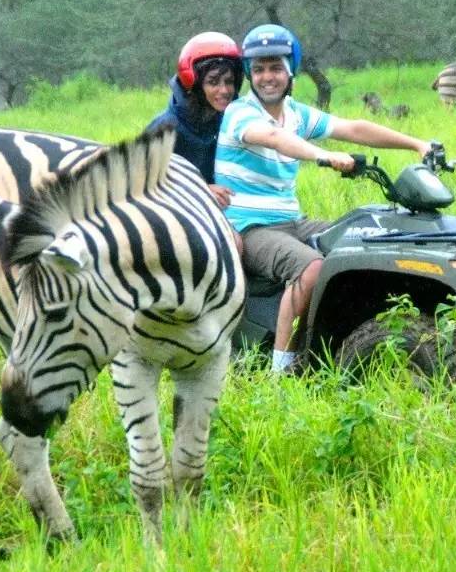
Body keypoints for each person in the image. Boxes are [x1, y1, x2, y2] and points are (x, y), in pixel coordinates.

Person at [215, 24, 434, 374]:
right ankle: (281, 368)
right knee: (312, 267)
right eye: (258, 69)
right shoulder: (240, 112)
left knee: (367, 235)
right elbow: (272, 138)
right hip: (249, 226)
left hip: (292, 221)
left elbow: (354, 128)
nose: (266, 77)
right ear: (249, 74)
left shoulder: (296, 114)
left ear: (290, 71)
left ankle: (351, 334)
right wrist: (322, 156)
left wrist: (417, 144)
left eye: (275, 68)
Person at [147, 32, 244, 208]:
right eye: (213, 82)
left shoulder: (231, 121)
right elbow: (143, 185)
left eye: (229, 81)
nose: (224, 90)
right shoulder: (165, 128)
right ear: (194, 84)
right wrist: (202, 190)